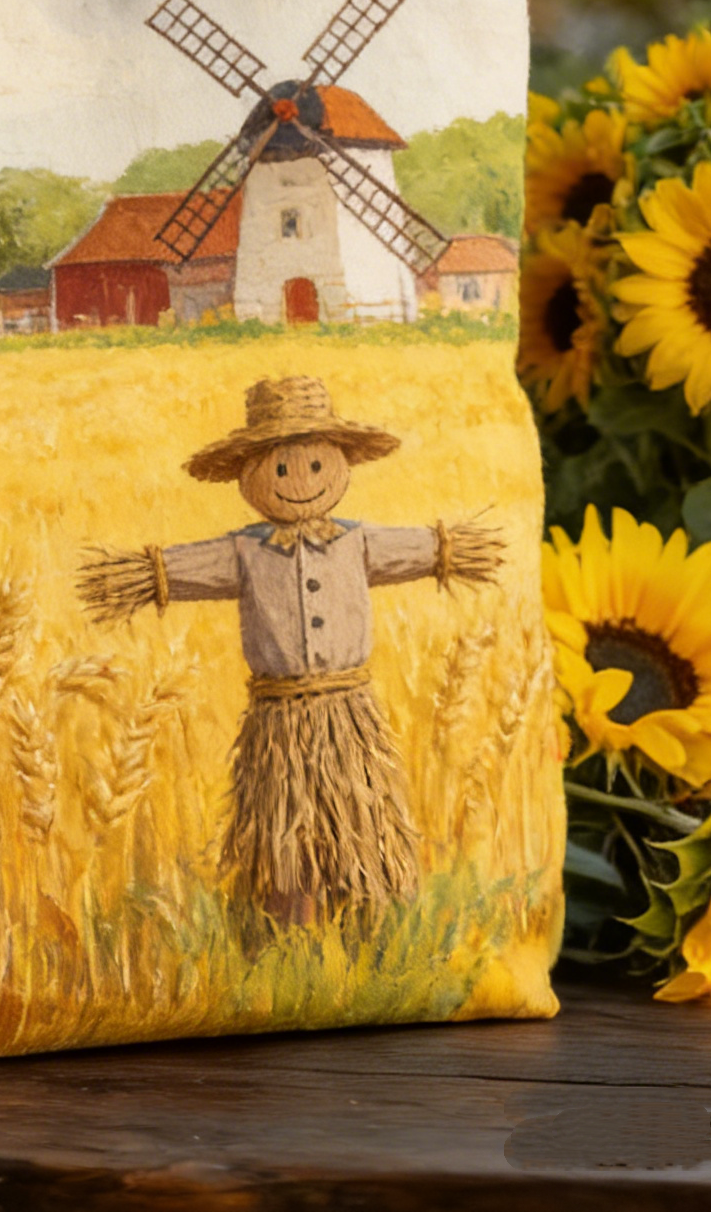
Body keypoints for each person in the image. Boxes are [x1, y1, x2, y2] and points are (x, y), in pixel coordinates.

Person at [78, 374, 501, 927]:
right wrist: (137, 576)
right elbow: (176, 568)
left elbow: (422, 548)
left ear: (340, 465)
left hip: (349, 720)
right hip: (279, 726)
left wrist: (452, 549)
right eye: (281, 468)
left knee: (361, 819)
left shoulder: (359, 541)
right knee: (287, 832)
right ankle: (291, 929)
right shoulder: (243, 552)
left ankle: (373, 924)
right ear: (252, 475)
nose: (300, 480)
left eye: (316, 466)